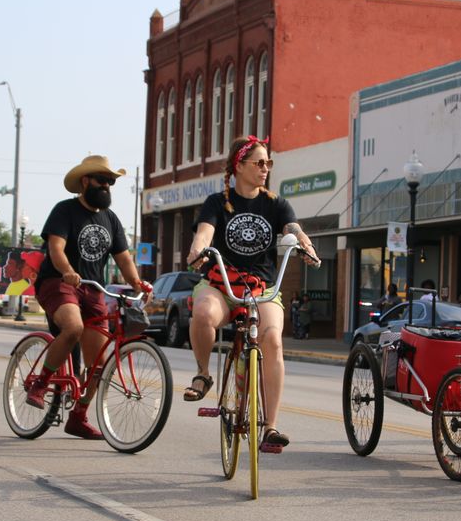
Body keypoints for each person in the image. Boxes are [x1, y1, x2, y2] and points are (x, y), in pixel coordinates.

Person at [184, 135, 318, 451]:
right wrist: (198, 251)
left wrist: (307, 247)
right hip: (222, 284)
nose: (265, 168)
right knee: (203, 313)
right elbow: (204, 234)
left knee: (272, 340)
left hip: (263, 288)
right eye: (259, 162)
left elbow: (293, 230)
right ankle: (203, 374)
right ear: (239, 166)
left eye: (268, 163)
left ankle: (270, 427)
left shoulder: (276, 204)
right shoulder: (217, 203)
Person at [24, 155, 153, 440]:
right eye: (102, 180)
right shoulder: (65, 210)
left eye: (111, 182)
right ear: (85, 181)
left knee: (99, 363)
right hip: (59, 283)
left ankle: (78, 416)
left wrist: (136, 283)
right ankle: (41, 383)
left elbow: (123, 258)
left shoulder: (111, 220)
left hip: (93, 289)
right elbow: (56, 249)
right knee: (74, 328)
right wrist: (68, 271)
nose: (107, 186)